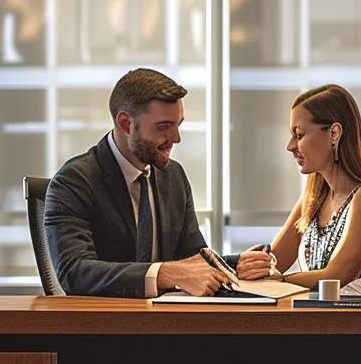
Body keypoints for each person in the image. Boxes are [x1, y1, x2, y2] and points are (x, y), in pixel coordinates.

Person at [44, 68, 232, 298]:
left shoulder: (173, 176)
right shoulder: (73, 182)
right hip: (104, 317)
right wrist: (163, 274)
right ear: (126, 124)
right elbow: (75, 272)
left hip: (168, 316)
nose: (176, 138)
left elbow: (192, 258)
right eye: (163, 127)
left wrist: (236, 265)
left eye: (178, 125)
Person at [236, 85, 361, 287]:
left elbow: (338, 277)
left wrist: (279, 279)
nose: (290, 146)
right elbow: (273, 262)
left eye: (299, 135)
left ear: (334, 133)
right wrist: (249, 266)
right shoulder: (313, 198)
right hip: (316, 308)